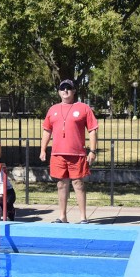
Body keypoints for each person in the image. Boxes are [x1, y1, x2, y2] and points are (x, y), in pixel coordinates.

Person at [39, 79, 98, 224]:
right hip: (58, 154)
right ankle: (62, 216)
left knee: (78, 184)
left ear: (74, 91)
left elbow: (92, 130)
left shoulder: (84, 108)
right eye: (62, 88)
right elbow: (47, 131)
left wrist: (93, 151)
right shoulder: (52, 109)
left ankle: (83, 217)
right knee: (61, 184)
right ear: (59, 91)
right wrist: (43, 149)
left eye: (69, 88)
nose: (65, 91)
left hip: (77, 154)